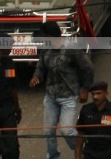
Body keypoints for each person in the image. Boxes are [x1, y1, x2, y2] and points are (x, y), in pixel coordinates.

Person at [30, 24, 95, 159]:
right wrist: (36, 77)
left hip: (68, 95)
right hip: (51, 96)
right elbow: (41, 67)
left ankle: (84, 152)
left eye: (43, 35)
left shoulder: (71, 48)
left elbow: (88, 68)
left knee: (67, 130)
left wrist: (85, 88)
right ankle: (53, 156)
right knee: (48, 131)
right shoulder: (46, 48)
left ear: (49, 35)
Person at [75, 82, 111, 159]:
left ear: (106, 93)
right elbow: (80, 134)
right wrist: (77, 156)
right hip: (90, 152)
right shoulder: (85, 110)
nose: (95, 97)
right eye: (93, 94)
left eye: (99, 93)